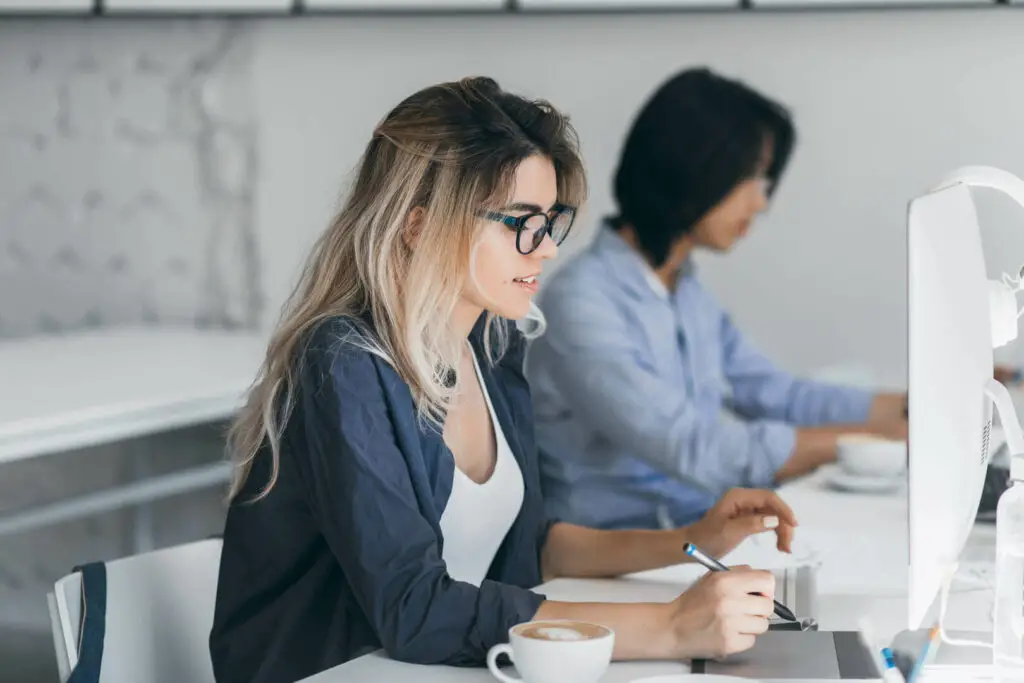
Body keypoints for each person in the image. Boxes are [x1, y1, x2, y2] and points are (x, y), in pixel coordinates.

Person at [208, 77, 800, 683]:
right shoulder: (343, 362)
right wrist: (670, 627)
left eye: (549, 222)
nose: (543, 249)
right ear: (418, 226)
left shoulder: (493, 349)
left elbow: (530, 546)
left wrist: (691, 540)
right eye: (520, 222)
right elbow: (415, 608)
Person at [525, 67, 910, 532]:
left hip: (697, 537)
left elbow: (779, 395)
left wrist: (922, 405)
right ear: (691, 169)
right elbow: (698, 448)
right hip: (621, 562)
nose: (760, 203)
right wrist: (882, 440)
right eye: (750, 179)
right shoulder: (581, 304)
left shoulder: (684, 290)